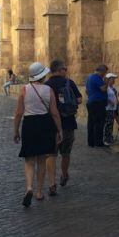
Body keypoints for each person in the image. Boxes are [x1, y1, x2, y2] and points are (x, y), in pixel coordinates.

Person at [13, 62, 63, 206]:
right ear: (42, 75)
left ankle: (29, 187)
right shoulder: (48, 90)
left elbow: (18, 113)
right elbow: (54, 113)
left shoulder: (24, 90)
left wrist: (16, 130)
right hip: (45, 124)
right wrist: (59, 130)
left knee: (29, 160)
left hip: (29, 124)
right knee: (42, 159)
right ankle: (39, 192)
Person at [45, 60, 82, 189]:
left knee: (51, 154)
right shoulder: (69, 83)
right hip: (68, 123)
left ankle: (51, 183)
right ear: (59, 70)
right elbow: (79, 99)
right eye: (65, 69)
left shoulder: (47, 85)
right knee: (65, 153)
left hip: (51, 124)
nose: (66, 71)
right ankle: (64, 174)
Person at [85, 64, 108, 147]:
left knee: (91, 123)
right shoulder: (97, 78)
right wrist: (106, 82)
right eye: (105, 72)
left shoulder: (89, 77)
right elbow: (103, 89)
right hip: (97, 103)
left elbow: (86, 91)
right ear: (101, 71)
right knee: (99, 123)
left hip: (91, 101)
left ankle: (91, 142)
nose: (105, 74)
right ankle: (98, 142)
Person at [104, 73, 119, 145]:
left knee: (111, 123)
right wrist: (110, 102)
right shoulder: (106, 88)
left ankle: (109, 137)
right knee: (108, 123)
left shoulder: (113, 88)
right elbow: (104, 97)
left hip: (113, 108)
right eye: (112, 79)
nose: (114, 80)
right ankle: (106, 138)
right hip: (108, 108)